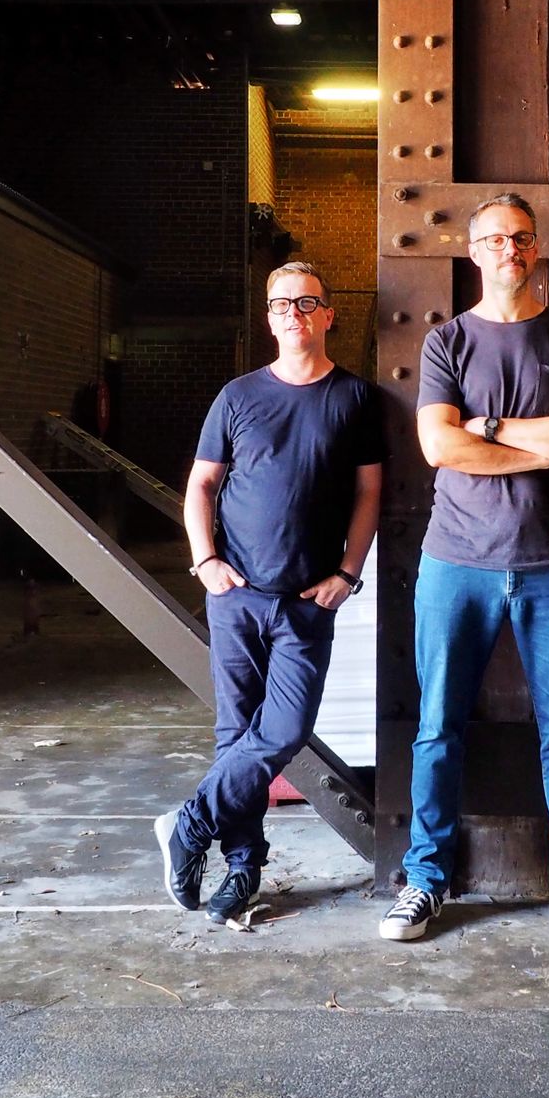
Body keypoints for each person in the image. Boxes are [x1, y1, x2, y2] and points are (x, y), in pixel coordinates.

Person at [378, 193, 549, 944]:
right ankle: (425, 881)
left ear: (535, 248)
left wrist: (484, 426)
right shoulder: (447, 342)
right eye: (493, 239)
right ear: (472, 250)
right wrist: (535, 440)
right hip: (455, 561)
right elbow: (439, 447)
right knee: (436, 727)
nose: (507, 250)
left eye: (519, 238)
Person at [156, 262, 386, 926]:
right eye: (281, 303)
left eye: (307, 301)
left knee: (283, 729)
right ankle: (242, 871)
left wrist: (347, 572)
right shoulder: (237, 397)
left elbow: (369, 492)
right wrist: (205, 560)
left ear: (328, 314)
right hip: (236, 595)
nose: (293, 312)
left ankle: (189, 823)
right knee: (237, 738)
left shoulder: (355, 399)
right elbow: (201, 485)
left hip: (308, 602)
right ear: (269, 316)